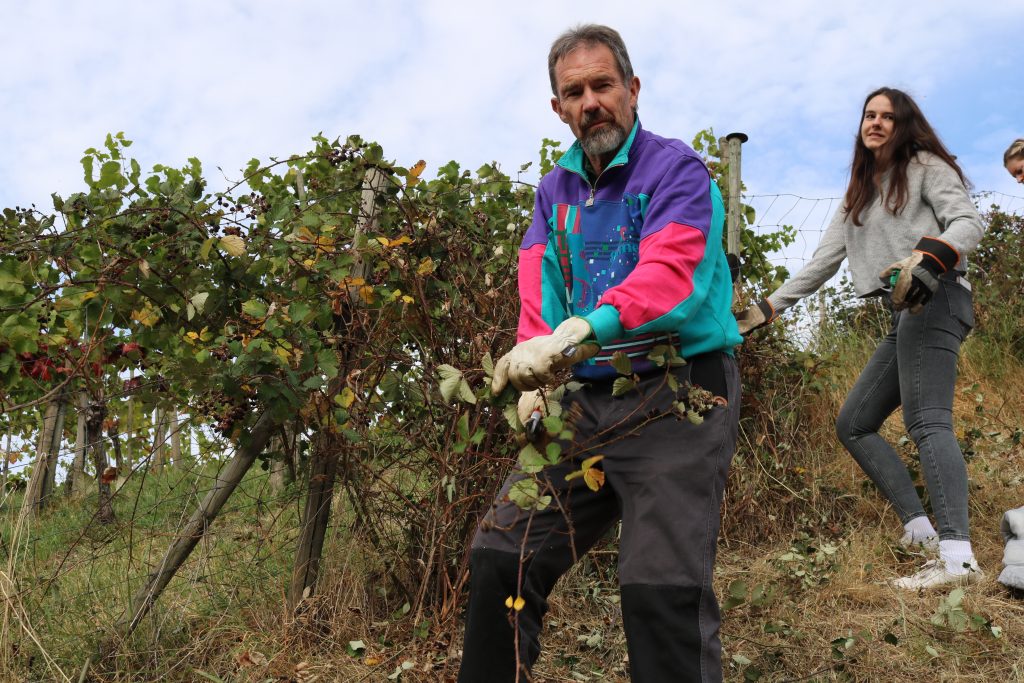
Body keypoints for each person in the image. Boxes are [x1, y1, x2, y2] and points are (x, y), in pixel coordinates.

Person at [457, 24, 742, 683]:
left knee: (658, 587)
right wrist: (539, 367)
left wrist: (576, 333)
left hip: (682, 394)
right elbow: (540, 281)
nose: (591, 102)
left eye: (603, 85)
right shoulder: (553, 192)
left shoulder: (676, 172)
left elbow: (671, 277)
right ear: (557, 107)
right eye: (574, 92)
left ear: (633, 90)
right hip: (586, 400)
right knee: (504, 556)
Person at [736, 87, 986, 590]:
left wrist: (927, 257)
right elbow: (822, 262)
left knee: (928, 421)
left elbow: (968, 222)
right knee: (854, 423)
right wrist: (764, 310)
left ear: (904, 124)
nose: (875, 123)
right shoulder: (860, 191)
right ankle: (920, 531)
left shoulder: (925, 166)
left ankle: (958, 557)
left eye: (887, 117)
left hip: (935, 297)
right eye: (869, 115)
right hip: (902, 316)